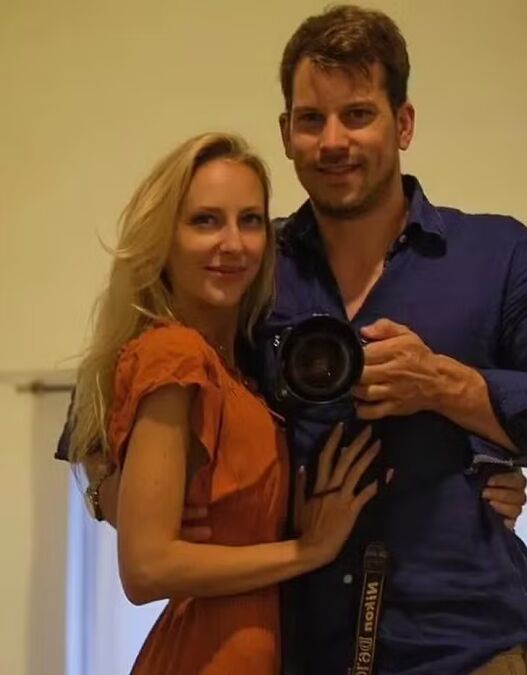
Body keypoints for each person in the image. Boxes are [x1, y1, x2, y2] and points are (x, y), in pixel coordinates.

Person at [68, 5, 527, 674]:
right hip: (295, 645)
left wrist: (452, 389)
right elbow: (100, 406)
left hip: (460, 646)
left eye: (358, 114)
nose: (333, 140)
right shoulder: (250, 267)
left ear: (403, 123)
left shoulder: (501, 257)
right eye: (311, 120)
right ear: (286, 134)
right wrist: (114, 497)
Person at [62, 132, 388, 673]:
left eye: (251, 221)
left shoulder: (236, 370)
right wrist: (306, 551)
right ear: (163, 239)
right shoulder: (175, 354)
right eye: (205, 221)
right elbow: (146, 567)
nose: (233, 244)